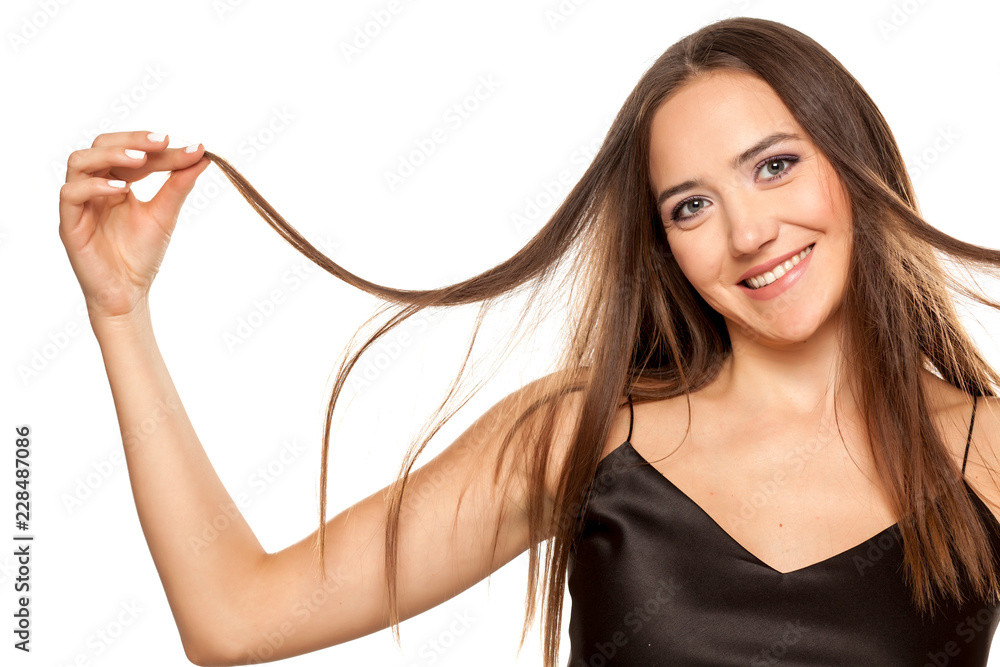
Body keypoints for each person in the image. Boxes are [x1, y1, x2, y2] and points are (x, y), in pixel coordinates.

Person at [58, 15, 1000, 666]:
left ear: (854, 159)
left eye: (776, 165)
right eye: (692, 205)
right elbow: (232, 615)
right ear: (665, 245)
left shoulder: (988, 450)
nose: (749, 232)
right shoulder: (579, 433)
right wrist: (120, 315)